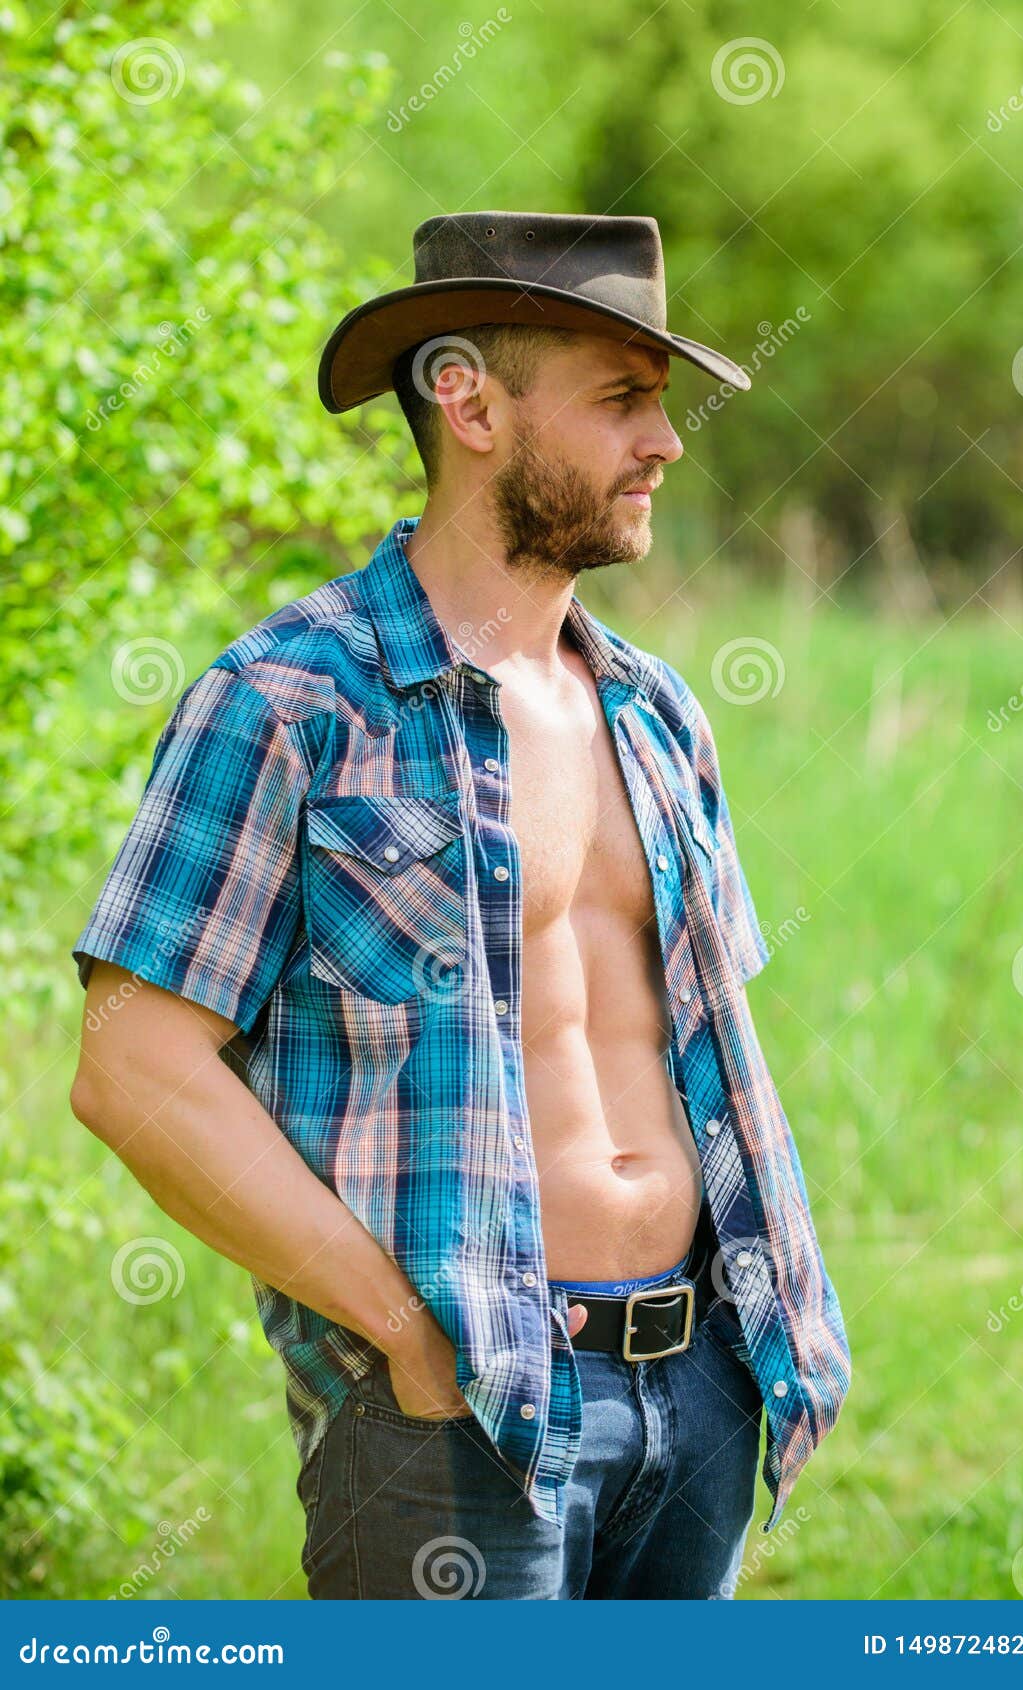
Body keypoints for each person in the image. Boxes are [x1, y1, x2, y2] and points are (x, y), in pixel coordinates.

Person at [69, 211, 849, 1600]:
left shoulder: (655, 713)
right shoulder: (287, 704)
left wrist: (755, 1330)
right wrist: (404, 1336)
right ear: (466, 398)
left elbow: (699, 1046)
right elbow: (134, 1069)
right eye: (621, 399)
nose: (663, 443)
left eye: (659, 404)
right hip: (456, 1420)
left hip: (704, 1385)